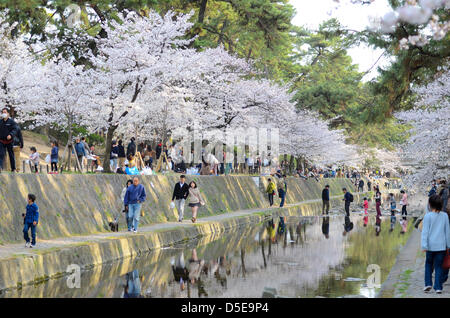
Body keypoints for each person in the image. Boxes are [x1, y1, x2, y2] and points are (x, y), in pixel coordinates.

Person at [421, 194, 450, 294]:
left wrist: (424, 246)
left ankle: (428, 283)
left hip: (430, 246)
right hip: (441, 247)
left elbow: (425, 232)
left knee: (428, 264)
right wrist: (448, 245)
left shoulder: (427, 216)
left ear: (429, 204)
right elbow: (447, 232)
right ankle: (438, 287)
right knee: (439, 266)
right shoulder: (445, 216)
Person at [0, 107, 19, 172]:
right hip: (1, 141)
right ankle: (0, 167)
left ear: (8, 114)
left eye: (5, 112)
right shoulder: (0, 122)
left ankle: (13, 168)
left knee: (11, 155)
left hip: (9, 141)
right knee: (1, 154)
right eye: (2, 112)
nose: (3, 114)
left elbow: (15, 129)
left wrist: (11, 135)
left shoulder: (12, 122)